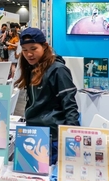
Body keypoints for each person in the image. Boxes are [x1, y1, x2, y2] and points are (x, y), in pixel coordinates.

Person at [15, 27, 79, 164]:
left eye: (33, 48)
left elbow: (70, 105)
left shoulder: (58, 70)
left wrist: (71, 137)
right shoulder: (32, 68)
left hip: (52, 137)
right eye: (24, 50)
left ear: (44, 46)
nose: (29, 54)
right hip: (35, 133)